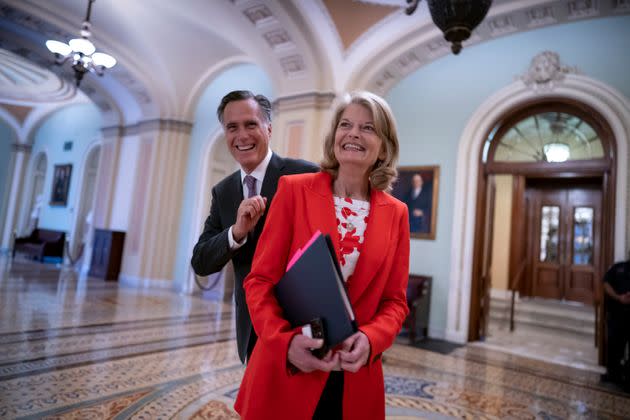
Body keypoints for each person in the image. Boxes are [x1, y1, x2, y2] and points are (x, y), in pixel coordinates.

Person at [234, 91, 410, 419]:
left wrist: (373, 339)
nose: (354, 133)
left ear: (384, 147)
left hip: (354, 379)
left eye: (368, 128)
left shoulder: (396, 214)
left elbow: (395, 302)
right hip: (288, 369)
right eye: (346, 125)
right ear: (334, 138)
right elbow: (259, 281)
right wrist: (284, 342)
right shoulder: (293, 190)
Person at [190, 90, 318, 364]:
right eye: (232, 127)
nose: (242, 135)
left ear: (268, 129)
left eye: (251, 124)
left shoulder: (305, 175)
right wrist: (236, 233)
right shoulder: (223, 192)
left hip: (300, 323)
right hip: (252, 326)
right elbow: (200, 262)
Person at [601, 255, 630, 387]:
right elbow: (606, 283)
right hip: (617, 315)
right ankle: (612, 375)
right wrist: (618, 297)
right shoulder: (618, 267)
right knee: (614, 346)